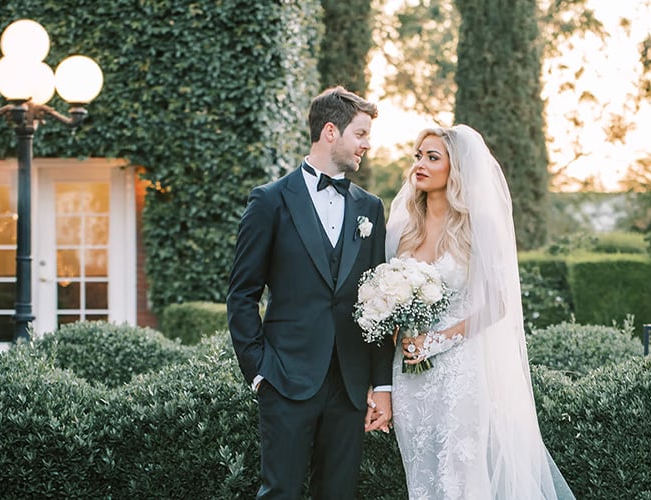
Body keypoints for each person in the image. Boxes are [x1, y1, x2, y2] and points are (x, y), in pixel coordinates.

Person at [385, 124, 575, 499]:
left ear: (456, 169)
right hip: (410, 375)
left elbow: (498, 304)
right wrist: (398, 331)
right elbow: (387, 297)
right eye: (418, 156)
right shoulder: (403, 227)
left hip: (460, 371)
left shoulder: (478, 225)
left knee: (461, 476)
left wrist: (436, 342)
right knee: (421, 476)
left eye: (432, 157)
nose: (420, 165)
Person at [227, 86, 395, 499]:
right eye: (361, 134)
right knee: (280, 492)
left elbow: (379, 300)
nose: (367, 145)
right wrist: (259, 370)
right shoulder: (269, 201)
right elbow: (242, 293)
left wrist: (381, 385)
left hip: (350, 384)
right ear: (331, 132)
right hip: (285, 378)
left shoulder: (369, 208)